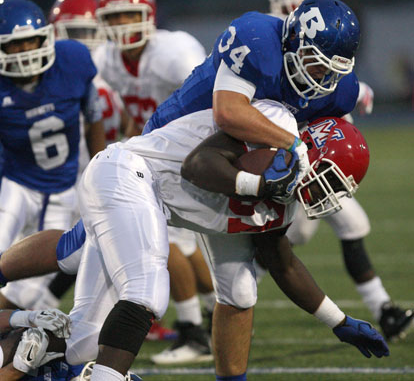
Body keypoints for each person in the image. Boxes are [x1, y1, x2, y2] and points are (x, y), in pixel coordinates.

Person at [0, 104, 389, 381]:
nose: (329, 194)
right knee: (147, 291)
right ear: (312, 152)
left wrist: (337, 321)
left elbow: (282, 263)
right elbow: (199, 164)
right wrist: (258, 183)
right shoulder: (272, 125)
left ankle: (27, 334)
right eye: (332, 181)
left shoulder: (282, 207)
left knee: (82, 335)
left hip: (150, 199)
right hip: (129, 173)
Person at [266, 0, 414, 341]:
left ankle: (384, 310)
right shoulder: (270, 35)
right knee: (284, 241)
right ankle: (221, 298)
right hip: (288, 159)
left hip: (321, 162)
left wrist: (356, 90)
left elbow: (340, 85)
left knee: (349, 225)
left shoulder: (333, 28)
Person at [93, 0, 216, 360]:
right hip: (155, 155)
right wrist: (132, 140)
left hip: (191, 153)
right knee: (185, 244)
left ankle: (194, 331)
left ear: (148, 15)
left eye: (132, 15)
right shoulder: (108, 60)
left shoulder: (174, 52)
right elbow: (135, 108)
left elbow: (215, 98)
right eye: (116, 17)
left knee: (161, 243)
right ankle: (215, 308)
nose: (125, 25)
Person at [0, 0, 106, 312]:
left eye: (30, 41)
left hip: (62, 190)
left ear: (45, 37)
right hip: (15, 183)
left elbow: (94, 118)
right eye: (14, 45)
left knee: (27, 293)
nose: (24, 52)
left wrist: (99, 170)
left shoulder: (73, 61)